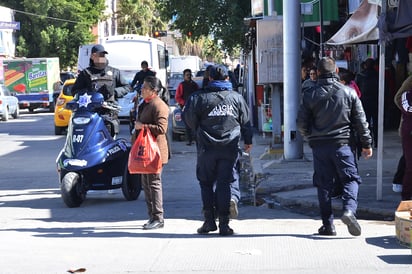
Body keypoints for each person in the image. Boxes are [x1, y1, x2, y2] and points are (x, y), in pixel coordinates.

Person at [297, 57, 373, 237]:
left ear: (318, 74)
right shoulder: (349, 93)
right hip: (343, 145)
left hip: (320, 147)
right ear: (336, 72)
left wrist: (311, 138)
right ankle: (349, 211)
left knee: (323, 185)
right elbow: (361, 122)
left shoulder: (309, 94)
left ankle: (328, 225)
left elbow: (301, 123)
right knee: (350, 180)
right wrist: (366, 144)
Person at [183, 64, 253, 236]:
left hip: (207, 148)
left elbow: (189, 120)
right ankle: (223, 224)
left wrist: (199, 131)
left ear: (211, 78)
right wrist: (248, 141)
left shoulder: (198, 98)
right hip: (229, 148)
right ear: (227, 79)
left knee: (206, 183)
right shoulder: (236, 98)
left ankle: (209, 221)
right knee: (224, 183)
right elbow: (246, 122)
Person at [132, 76, 169, 230]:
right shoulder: (145, 104)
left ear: (153, 90)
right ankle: (151, 216)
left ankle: (158, 217)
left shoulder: (159, 105)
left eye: (144, 88)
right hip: (144, 151)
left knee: (154, 184)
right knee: (146, 185)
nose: (142, 90)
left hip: (155, 151)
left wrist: (143, 126)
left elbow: (162, 129)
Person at [72, 44, 131, 135]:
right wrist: (88, 96)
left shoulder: (114, 72)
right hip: (91, 113)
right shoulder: (86, 73)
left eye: (103, 55)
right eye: (99, 55)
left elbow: (127, 87)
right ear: (92, 56)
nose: (102, 57)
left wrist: (114, 92)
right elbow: (75, 91)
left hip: (109, 113)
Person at [393, 74, 412, 199]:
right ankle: (405, 195)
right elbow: (400, 101)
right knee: (409, 164)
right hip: (409, 132)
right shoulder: (407, 93)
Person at [356, 58, 379, 147]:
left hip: (364, 101)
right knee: (376, 122)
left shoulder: (360, 75)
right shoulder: (377, 75)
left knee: (366, 122)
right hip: (375, 101)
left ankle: (369, 141)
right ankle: (377, 141)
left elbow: (356, 90)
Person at [175, 69, 199, 145]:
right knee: (187, 124)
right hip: (185, 107)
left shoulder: (194, 85)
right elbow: (177, 97)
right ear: (184, 76)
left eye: (189, 75)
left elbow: (198, 94)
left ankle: (196, 139)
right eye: (187, 75)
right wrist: (184, 103)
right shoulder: (181, 85)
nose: (188, 76)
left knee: (196, 124)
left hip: (194, 107)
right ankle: (190, 140)